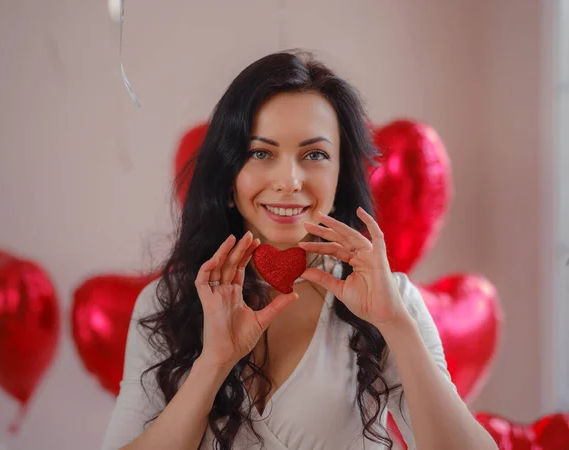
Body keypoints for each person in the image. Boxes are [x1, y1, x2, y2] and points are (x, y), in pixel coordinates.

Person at [101, 50, 497, 450]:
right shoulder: (167, 303)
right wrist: (214, 364)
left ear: (340, 176)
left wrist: (397, 325)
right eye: (261, 153)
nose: (289, 180)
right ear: (227, 176)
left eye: (314, 155)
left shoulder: (391, 303)